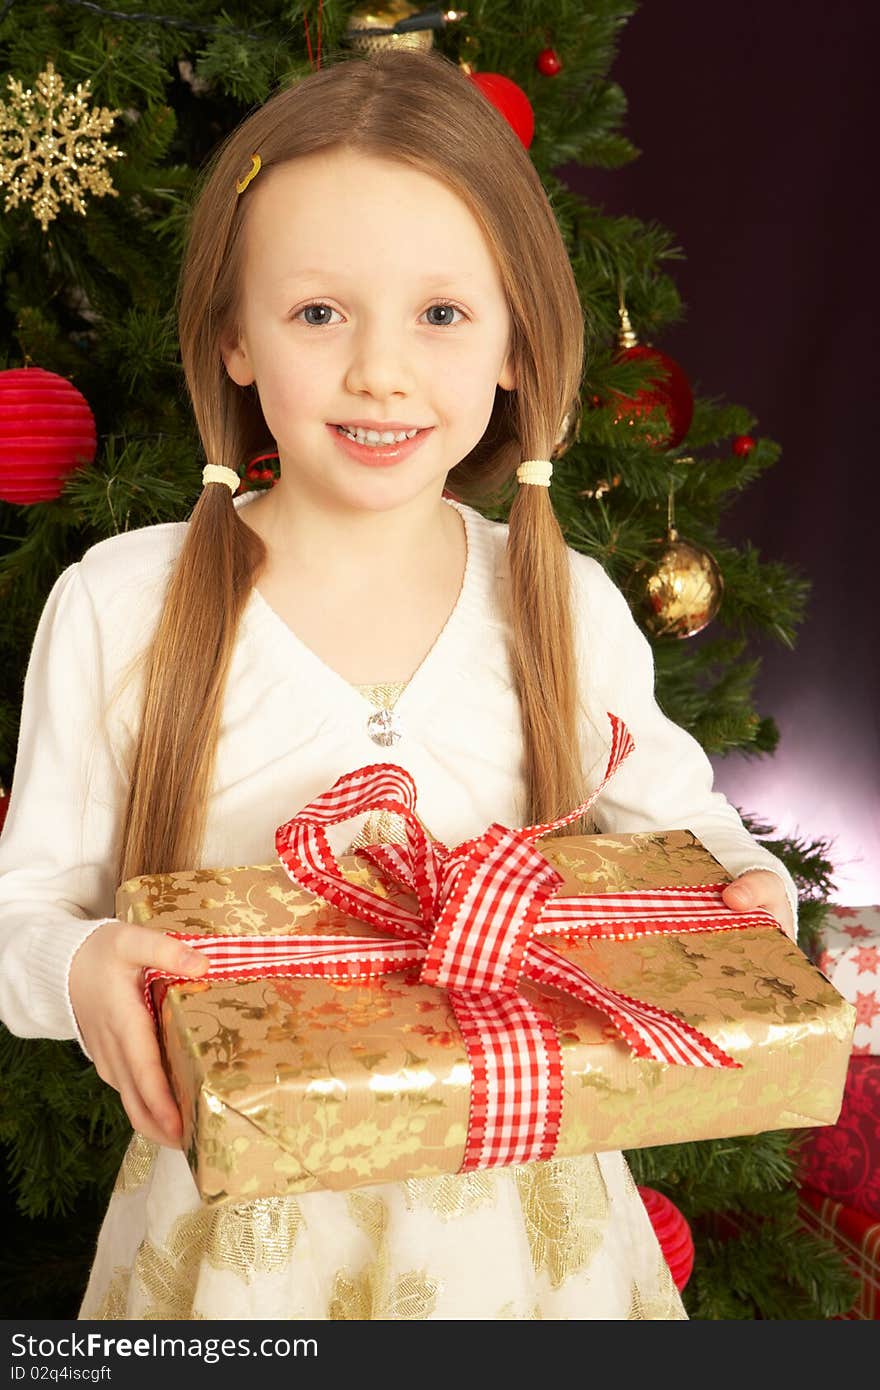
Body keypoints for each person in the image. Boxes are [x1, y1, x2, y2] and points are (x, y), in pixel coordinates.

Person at [0, 47, 796, 1321]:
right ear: (235, 339)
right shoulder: (120, 604)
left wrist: (738, 884)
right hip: (237, 1246)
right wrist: (81, 960)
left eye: (440, 314)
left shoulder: (564, 605)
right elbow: (25, 907)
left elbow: (684, 841)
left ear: (515, 348)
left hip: (530, 1227)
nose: (381, 370)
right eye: (320, 313)